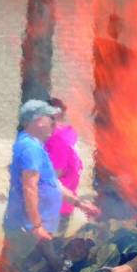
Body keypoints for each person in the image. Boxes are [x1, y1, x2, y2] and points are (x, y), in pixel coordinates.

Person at [1, 100, 99, 272]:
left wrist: (80, 203)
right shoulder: (29, 147)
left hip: (34, 226)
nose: (54, 123)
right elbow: (30, 187)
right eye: (49, 118)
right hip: (23, 227)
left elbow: (52, 184)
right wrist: (37, 225)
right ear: (36, 121)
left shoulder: (37, 148)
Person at [45, 98, 84, 234]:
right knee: (51, 245)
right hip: (55, 205)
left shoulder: (61, 138)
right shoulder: (60, 138)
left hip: (60, 204)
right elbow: (56, 173)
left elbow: (57, 172)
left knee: (52, 244)